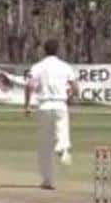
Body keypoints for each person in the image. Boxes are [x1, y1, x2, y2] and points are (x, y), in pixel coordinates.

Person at [25, 39, 79, 190]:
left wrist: (27, 105)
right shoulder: (65, 66)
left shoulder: (38, 66)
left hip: (44, 105)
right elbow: (75, 87)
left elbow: (29, 86)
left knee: (44, 145)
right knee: (62, 131)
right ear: (58, 50)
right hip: (60, 103)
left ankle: (47, 180)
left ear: (44, 50)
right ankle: (62, 147)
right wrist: (71, 99)